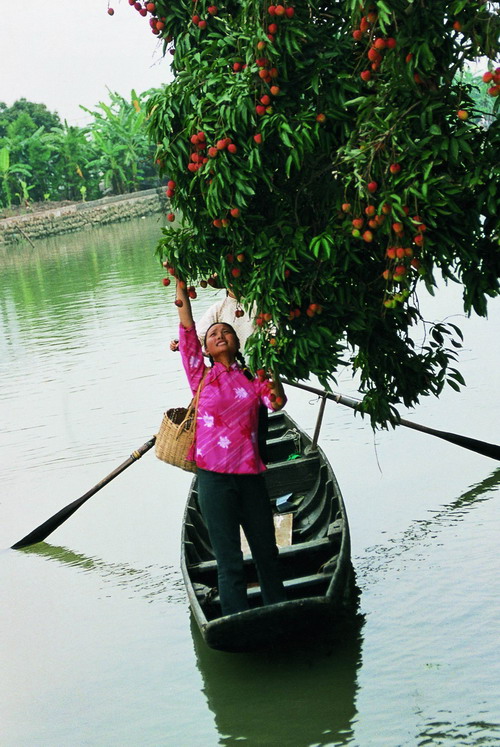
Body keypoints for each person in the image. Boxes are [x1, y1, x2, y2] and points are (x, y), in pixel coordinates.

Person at [174, 277, 287, 616]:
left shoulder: (253, 377)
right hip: (213, 479)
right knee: (228, 559)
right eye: (213, 335)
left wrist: (272, 364)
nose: (219, 335)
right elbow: (187, 325)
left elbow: (277, 402)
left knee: (266, 551)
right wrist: (180, 284)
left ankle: (278, 610)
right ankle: (238, 617)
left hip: (250, 476)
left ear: (238, 342)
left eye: (226, 332)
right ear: (205, 350)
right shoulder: (201, 376)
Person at [170, 287, 256, 353]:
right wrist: (183, 344)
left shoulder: (258, 305)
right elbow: (199, 338)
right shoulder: (218, 308)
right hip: (230, 366)